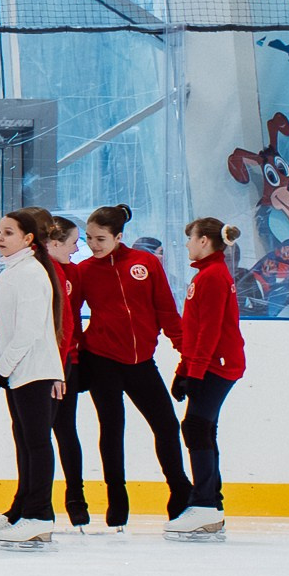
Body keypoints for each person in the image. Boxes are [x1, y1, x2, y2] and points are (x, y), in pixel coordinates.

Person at [70, 203, 193, 530]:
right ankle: (117, 497)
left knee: (166, 425)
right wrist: (76, 356)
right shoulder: (84, 271)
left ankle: (180, 491)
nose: (93, 245)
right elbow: (70, 317)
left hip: (141, 363)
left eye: (100, 239)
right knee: (112, 428)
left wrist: (187, 356)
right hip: (101, 361)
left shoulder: (146, 263)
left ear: (119, 236)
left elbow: (166, 311)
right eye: (88, 238)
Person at [0, 208, 67, 550]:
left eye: (9, 232)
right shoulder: (14, 271)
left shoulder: (29, 273)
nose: (1, 237)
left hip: (34, 370)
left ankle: (39, 516)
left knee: (37, 442)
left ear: (28, 239)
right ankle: (22, 510)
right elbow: (6, 327)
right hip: (20, 371)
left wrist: (4, 366)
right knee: (26, 442)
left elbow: (28, 330)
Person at [168, 218, 245, 541]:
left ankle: (204, 505)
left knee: (196, 427)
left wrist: (195, 372)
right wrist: (184, 370)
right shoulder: (207, 274)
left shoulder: (213, 276)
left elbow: (210, 330)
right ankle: (210, 502)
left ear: (204, 241)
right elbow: (195, 329)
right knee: (201, 427)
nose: (187, 244)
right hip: (212, 364)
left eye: (191, 238)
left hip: (218, 365)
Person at [41, 213, 93, 530]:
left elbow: (73, 320)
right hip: (41, 366)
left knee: (65, 430)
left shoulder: (72, 272)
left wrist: (77, 357)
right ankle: (39, 502)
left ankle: (76, 499)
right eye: (73, 243)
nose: (76, 249)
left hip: (66, 363)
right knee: (38, 436)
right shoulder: (37, 272)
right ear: (54, 243)